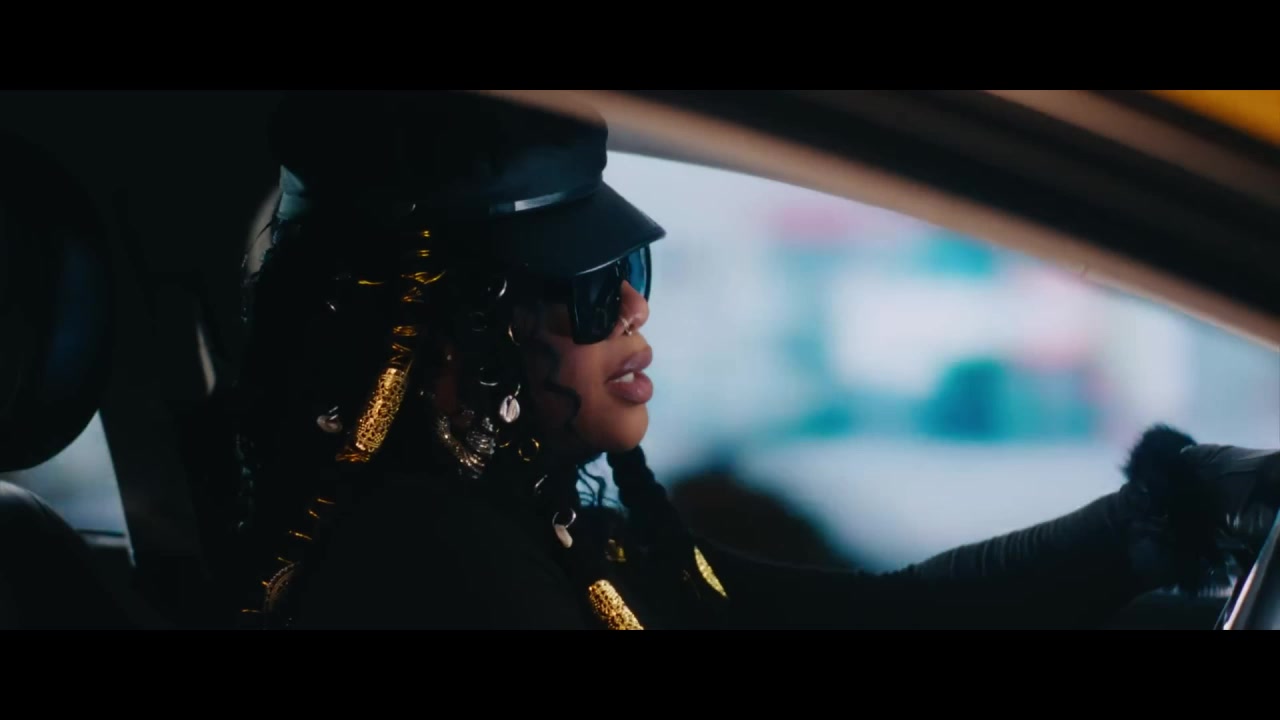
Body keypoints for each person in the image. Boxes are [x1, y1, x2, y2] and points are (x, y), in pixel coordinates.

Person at [229, 91, 1280, 630]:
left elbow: (880, 619)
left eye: (629, 267)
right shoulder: (431, 563)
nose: (633, 305)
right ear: (452, 339)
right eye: (590, 285)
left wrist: (1164, 515)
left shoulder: (542, 532)